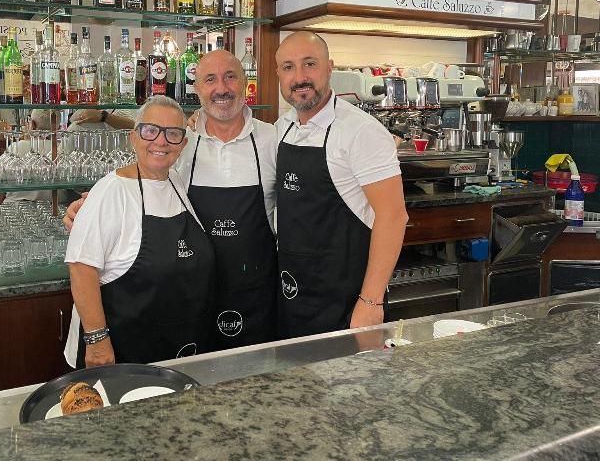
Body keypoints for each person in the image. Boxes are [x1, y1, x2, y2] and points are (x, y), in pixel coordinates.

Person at [64, 96, 215, 368]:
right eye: (150, 130)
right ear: (134, 138)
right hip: (123, 352)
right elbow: (81, 267)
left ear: (182, 144)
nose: (160, 141)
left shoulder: (176, 183)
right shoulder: (112, 191)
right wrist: (97, 342)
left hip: (176, 349)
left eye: (172, 133)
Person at [274, 31, 408, 338]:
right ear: (279, 75)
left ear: (329, 67)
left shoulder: (360, 131)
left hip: (347, 301)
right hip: (294, 294)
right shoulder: (282, 128)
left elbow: (393, 217)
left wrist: (370, 302)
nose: (300, 77)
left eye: (310, 64)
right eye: (289, 67)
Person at [174, 50, 278, 349]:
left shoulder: (273, 138)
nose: (221, 88)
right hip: (195, 293)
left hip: (256, 295)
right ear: (197, 90)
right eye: (210, 80)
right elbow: (139, 186)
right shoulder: (180, 142)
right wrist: (90, 204)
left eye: (230, 77)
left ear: (246, 84)